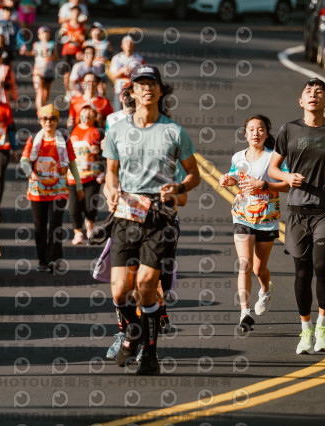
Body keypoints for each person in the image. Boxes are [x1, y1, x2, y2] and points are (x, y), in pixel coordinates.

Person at [102, 64, 200, 375]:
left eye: (152, 83)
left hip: (159, 215)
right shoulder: (117, 130)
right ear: (131, 91)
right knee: (119, 291)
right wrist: (111, 192)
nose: (147, 88)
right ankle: (133, 334)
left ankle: (150, 356)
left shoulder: (174, 131)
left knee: (146, 286)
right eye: (140, 84)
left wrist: (179, 187)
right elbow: (110, 173)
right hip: (126, 213)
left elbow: (194, 174)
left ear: (160, 90)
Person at [268, 78, 325, 355]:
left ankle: (323, 327)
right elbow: (273, 168)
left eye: (319, 92)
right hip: (297, 212)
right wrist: (287, 177)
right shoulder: (288, 130)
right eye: (308, 91)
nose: (313, 95)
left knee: (321, 265)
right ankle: (306, 330)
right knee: (302, 272)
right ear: (301, 101)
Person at [219, 114, 289, 332]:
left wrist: (264, 184)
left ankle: (265, 290)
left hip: (267, 218)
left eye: (260, 130)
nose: (255, 133)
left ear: (266, 134)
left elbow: (287, 185)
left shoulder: (273, 158)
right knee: (244, 263)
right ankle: (245, 312)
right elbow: (235, 177)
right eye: (251, 130)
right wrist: (227, 179)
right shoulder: (238, 156)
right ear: (245, 134)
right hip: (242, 215)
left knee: (259, 269)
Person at [19, 104, 84, 273]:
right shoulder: (34, 139)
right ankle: (42, 260)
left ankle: (54, 259)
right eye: (45, 119)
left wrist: (78, 185)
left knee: (55, 224)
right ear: (41, 121)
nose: (49, 122)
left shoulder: (64, 140)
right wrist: (30, 173)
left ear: (56, 121)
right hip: (38, 190)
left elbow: (72, 163)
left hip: (59, 189)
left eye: (52, 119)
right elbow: (24, 160)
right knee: (39, 226)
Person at [67, 104, 103, 245]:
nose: (87, 114)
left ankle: (90, 224)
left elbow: (107, 153)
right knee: (74, 207)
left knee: (90, 205)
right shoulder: (72, 130)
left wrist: (98, 151)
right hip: (74, 176)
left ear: (95, 117)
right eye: (84, 111)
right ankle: (77, 232)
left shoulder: (97, 132)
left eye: (90, 112)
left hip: (91, 175)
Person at [20, 26, 58, 110]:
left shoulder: (52, 44)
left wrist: (50, 54)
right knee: (39, 91)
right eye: (43, 33)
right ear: (39, 35)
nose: (45, 35)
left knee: (46, 93)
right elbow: (32, 53)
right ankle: (40, 112)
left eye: (47, 33)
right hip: (38, 71)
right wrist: (25, 52)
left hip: (49, 71)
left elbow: (56, 57)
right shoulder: (36, 44)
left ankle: (42, 108)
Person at [109, 36, 144, 111]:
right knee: (118, 111)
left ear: (134, 46)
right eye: (126, 42)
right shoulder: (116, 58)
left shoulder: (139, 59)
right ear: (122, 45)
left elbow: (143, 76)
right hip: (120, 89)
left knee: (132, 112)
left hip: (134, 91)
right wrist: (122, 71)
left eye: (131, 43)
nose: (129, 44)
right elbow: (112, 76)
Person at [59, 6, 86, 96]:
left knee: (74, 73)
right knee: (66, 74)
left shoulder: (82, 26)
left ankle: (73, 91)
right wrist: (69, 38)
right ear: (71, 13)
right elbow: (60, 38)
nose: (75, 14)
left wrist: (82, 40)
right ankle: (68, 91)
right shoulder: (66, 25)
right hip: (67, 52)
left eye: (77, 12)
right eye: (74, 12)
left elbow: (85, 40)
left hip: (77, 52)